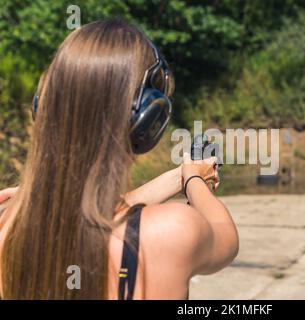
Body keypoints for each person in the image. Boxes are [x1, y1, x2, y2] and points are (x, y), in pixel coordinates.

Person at [0, 19, 238, 300]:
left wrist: (180, 176)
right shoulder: (171, 231)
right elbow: (226, 237)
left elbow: (98, 218)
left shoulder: (10, 223)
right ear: (146, 119)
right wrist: (195, 180)